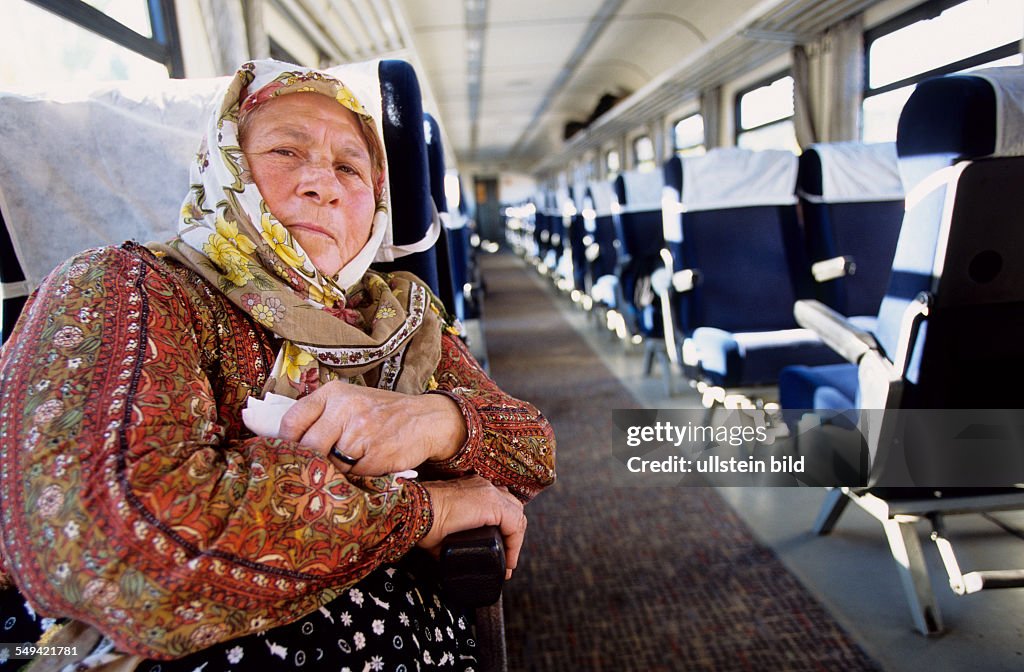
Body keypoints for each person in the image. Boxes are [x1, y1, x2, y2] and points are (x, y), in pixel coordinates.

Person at [0, 60, 555, 670]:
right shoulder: (122, 287)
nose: (324, 183)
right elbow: (109, 548)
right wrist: (425, 511)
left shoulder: (396, 312)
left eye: (350, 166)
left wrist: (432, 420)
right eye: (287, 152)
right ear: (223, 165)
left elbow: (532, 449)